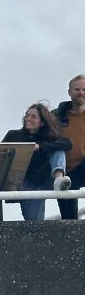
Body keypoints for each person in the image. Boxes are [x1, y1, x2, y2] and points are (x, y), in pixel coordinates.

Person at [2, 103, 72, 221]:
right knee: (35, 223)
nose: (28, 119)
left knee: (58, 150)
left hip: (42, 181)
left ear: (43, 122)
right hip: (24, 182)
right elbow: (0, 152)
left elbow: (68, 143)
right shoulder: (13, 135)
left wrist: (41, 147)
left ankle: (59, 179)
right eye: (27, 115)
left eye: (34, 117)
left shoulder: (49, 137)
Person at [53, 75, 85, 219]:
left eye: (84, 89)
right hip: (67, 173)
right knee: (69, 219)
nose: (81, 92)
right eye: (77, 89)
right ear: (69, 92)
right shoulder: (56, 116)